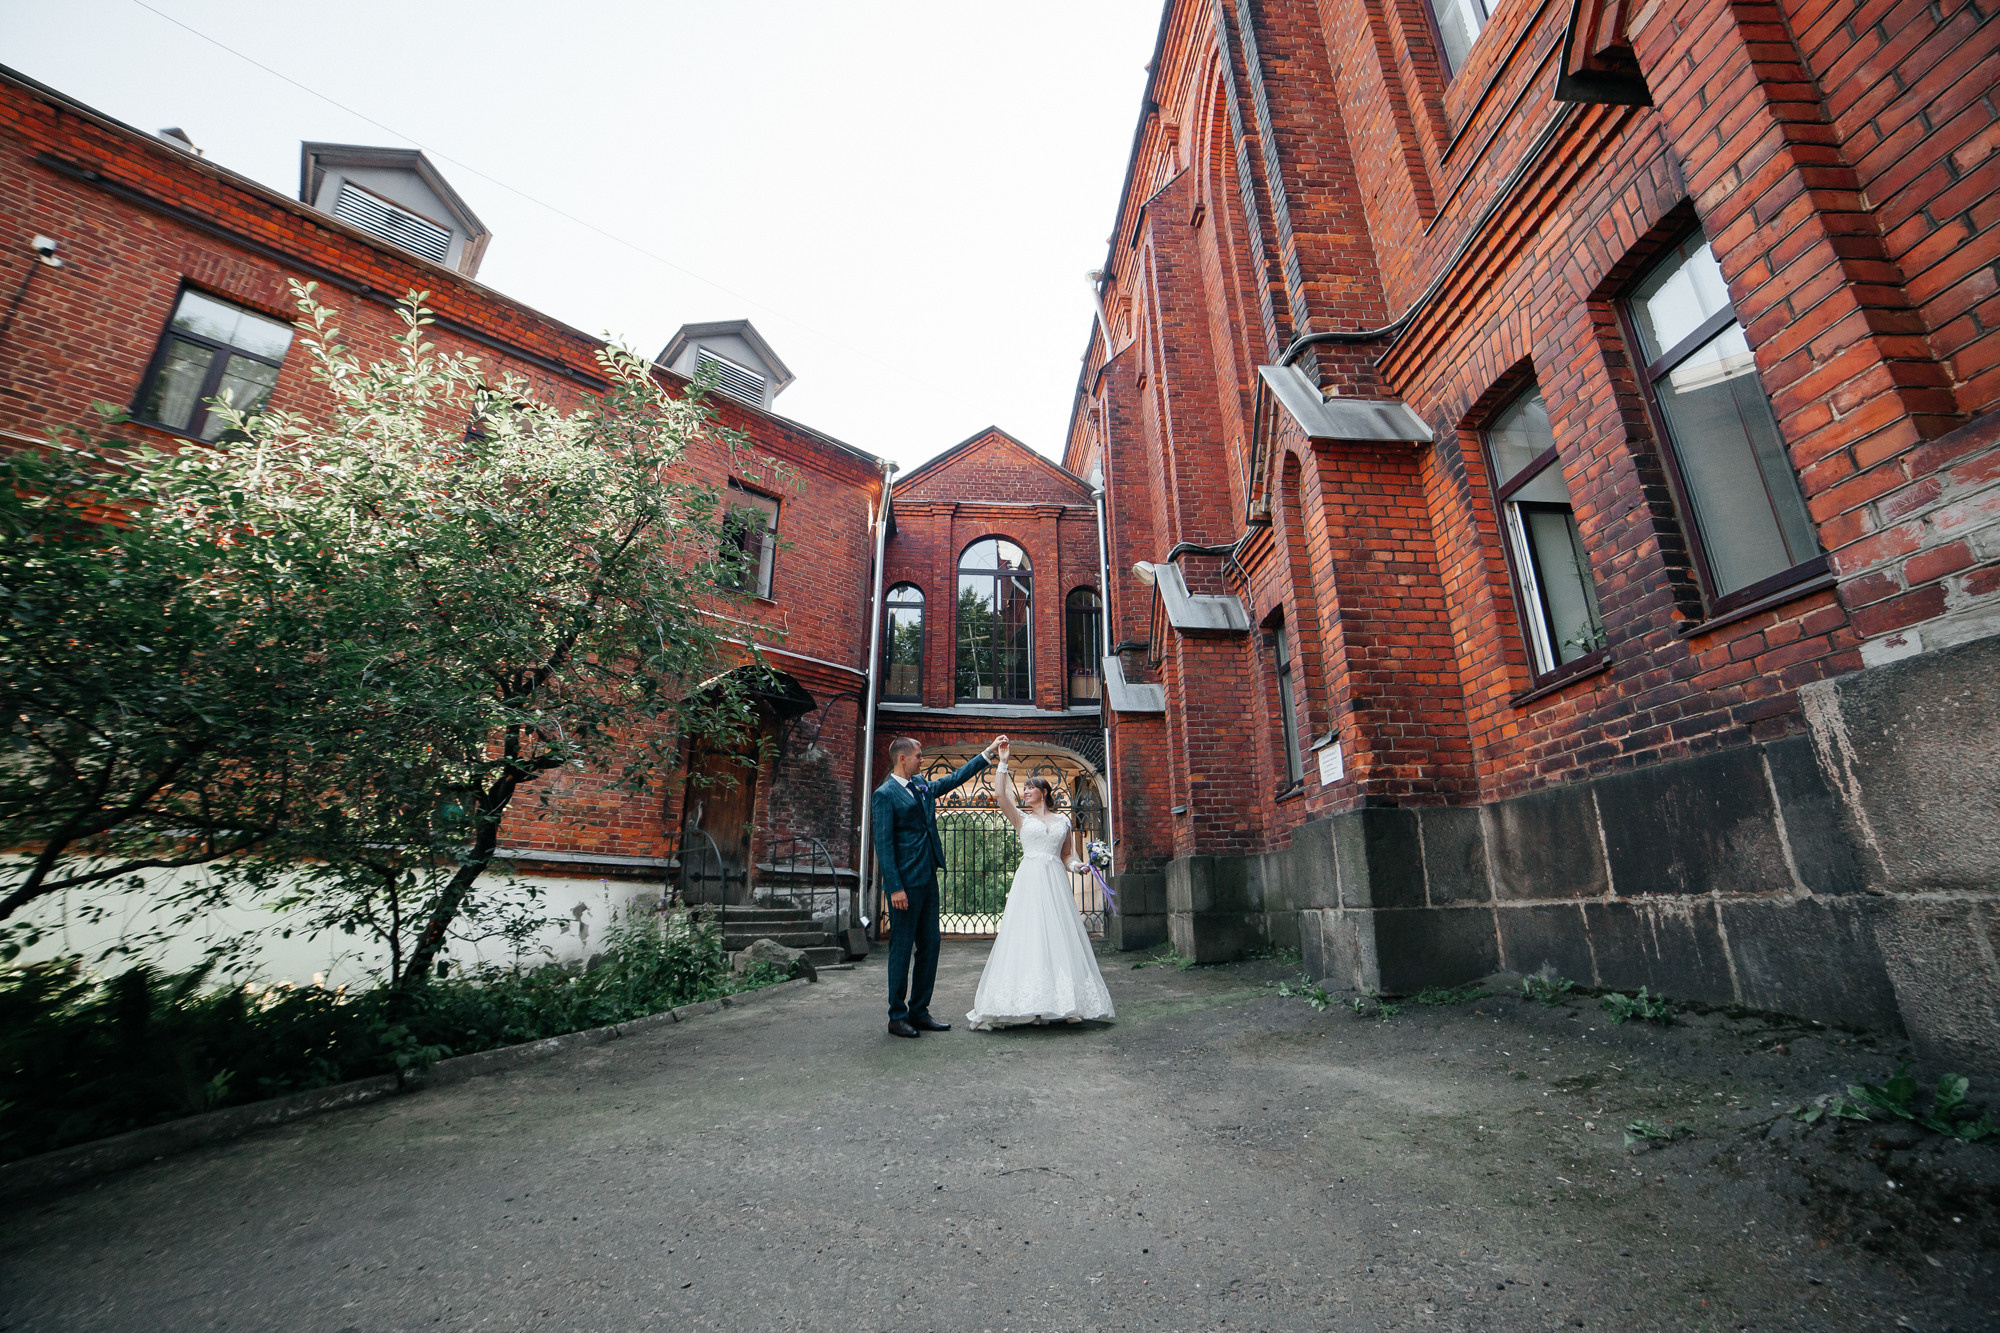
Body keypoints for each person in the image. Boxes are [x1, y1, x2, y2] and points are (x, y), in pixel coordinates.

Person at [965, 736, 1115, 1030]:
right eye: (1024, 788)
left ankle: (1067, 1004)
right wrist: (1003, 761)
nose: (1025, 791)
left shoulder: (1063, 822)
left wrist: (1080, 867)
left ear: (1044, 792)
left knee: (1060, 938)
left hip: (1055, 883)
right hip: (1030, 882)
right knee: (1030, 937)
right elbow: (1000, 795)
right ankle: (1032, 1006)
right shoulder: (1021, 819)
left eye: (1030, 787)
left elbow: (1067, 855)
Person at [873, 734, 1000, 1038]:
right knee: (901, 949)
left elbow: (954, 779)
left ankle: (919, 1011)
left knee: (930, 946)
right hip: (904, 885)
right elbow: (884, 845)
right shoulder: (885, 794)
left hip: (928, 878)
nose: (922, 760)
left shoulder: (921, 785)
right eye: (918, 755)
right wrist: (894, 888)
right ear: (902, 758)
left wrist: (988, 753)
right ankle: (896, 1017)